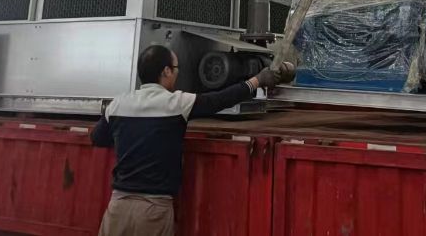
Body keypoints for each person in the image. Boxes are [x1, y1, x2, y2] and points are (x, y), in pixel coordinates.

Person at [91, 44, 295, 236]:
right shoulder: (176, 104)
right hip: (153, 210)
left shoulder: (118, 105)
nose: (177, 73)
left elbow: (98, 138)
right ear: (166, 71)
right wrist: (257, 80)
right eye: (176, 68)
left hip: (117, 207)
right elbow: (219, 100)